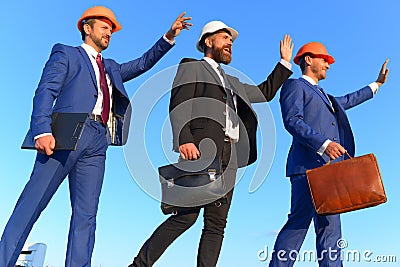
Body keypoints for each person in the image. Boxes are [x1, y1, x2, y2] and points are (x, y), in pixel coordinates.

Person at [0, 6, 191, 267]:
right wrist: (41, 130)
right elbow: (45, 90)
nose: (109, 32)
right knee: (31, 205)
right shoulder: (66, 53)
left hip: (98, 140)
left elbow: (144, 62)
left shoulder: (111, 68)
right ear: (87, 28)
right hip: (63, 134)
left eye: (112, 30)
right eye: (105, 27)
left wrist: (169, 36)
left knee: (86, 215)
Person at [129, 21, 294, 267]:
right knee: (184, 217)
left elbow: (264, 93)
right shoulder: (191, 67)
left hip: (230, 157)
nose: (230, 43)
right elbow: (179, 101)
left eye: (232, 41)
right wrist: (184, 138)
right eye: (225, 38)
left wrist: (284, 62)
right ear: (208, 41)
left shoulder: (233, 82)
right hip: (200, 152)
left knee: (216, 226)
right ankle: (139, 265)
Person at [269, 42, 389, 267]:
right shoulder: (294, 86)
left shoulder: (326, 97)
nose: (328, 65)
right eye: (324, 59)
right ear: (308, 59)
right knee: (298, 224)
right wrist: (323, 144)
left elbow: (349, 100)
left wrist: (377, 84)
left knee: (331, 230)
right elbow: (292, 121)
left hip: (330, 172)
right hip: (307, 169)